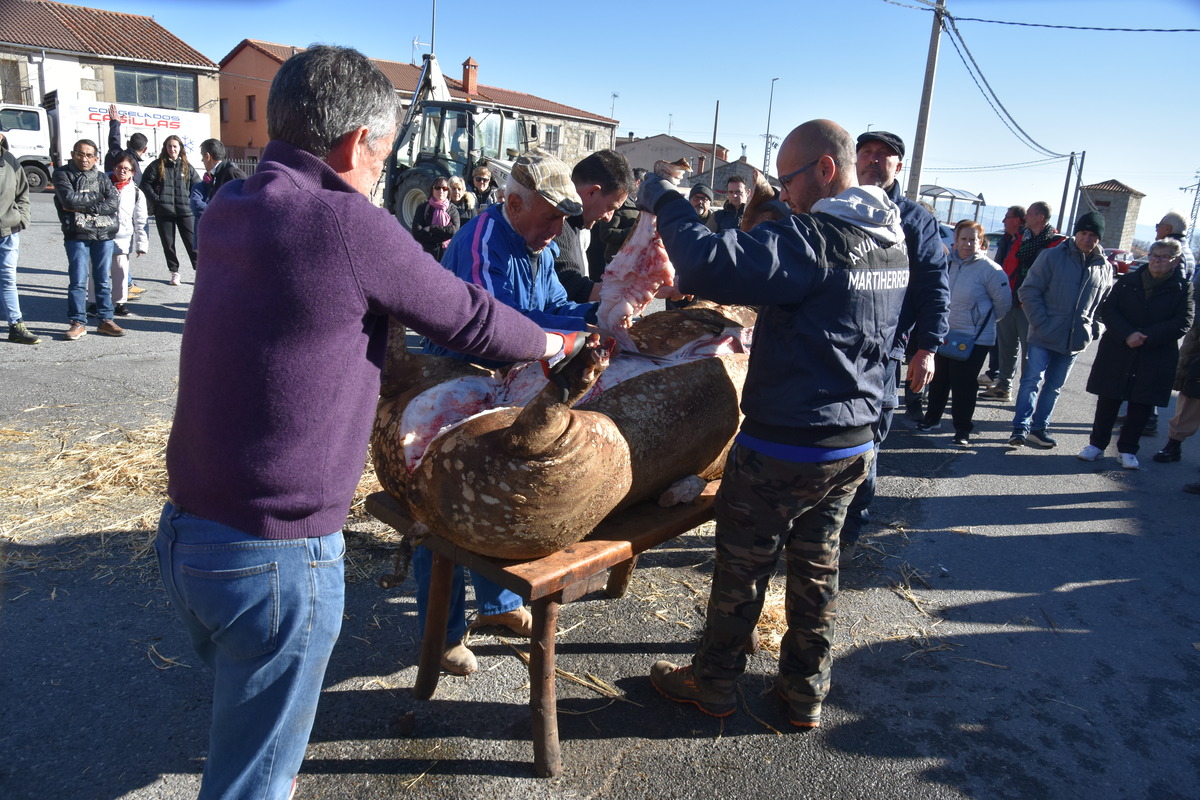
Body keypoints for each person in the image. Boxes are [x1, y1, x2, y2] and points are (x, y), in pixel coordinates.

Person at [155, 45, 572, 800]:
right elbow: (470, 318)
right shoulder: (347, 223)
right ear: (355, 144)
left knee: (242, 721)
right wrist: (558, 342)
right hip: (274, 557)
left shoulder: (229, 206)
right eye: (382, 151)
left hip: (186, 535)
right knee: (255, 779)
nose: (383, 169)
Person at [639, 119, 910, 729]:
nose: (783, 195)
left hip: (786, 442)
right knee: (818, 572)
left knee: (742, 568)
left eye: (788, 180)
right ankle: (804, 693)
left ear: (824, 170)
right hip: (853, 441)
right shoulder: (891, 240)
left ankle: (712, 684)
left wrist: (667, 203)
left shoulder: (819, 239)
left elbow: (709, 265)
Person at [418, 149, 598, 674]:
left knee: (501, 494)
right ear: (515, 205)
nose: (556, 231)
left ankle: (496, 605)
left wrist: (596, 308)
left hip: (504, 385)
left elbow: (556, 302)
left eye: (563, 221)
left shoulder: (535, 245)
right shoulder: (480, 240)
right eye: (550, 219)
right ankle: (443, 634)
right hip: (456, 385)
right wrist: (568, 337)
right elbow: (495, 328)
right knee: (442, 511)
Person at [841, 130, 949, 552]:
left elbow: (935, 289)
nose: (872, 160)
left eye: (883, 155)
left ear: (897, 166)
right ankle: (815, 527)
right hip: (833, 346)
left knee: (866, 442)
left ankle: (850, 530)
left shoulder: (915, 220)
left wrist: (928, 348)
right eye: (865, 152)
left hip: (884, 354)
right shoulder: (838, 209)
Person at [1078, 238, 1194, 469]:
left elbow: (1184, 321)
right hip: (1119, 349)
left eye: (1163, 257)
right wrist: (1128, 334)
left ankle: (1128, 449)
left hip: (1154, 353)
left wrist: (1146, 336)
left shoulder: (1182, 288)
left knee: (1142, 403)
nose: (1157, 261)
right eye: (1154, 255)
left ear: (1175, 261)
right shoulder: (1129, 281)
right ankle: (1097, 445)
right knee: (1108, 399)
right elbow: (1108, 310)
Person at [1008, 211, 1112, 449]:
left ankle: (1039, 429)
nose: (1087, 238)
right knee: (1031, 381)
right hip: (1043, 334)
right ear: (1076, 233)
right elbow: (1028, 290)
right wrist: (1040, 322)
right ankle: (1019, 429)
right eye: (1083, 233)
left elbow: (1105, 304)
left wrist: (1093, 328)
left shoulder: (1104, 267)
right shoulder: (1052, 256)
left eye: (1092, 235)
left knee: (1054, 387)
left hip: (1074, 339)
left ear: (1099, 238)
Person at [915, 220, 1011, 445]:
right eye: (963, 239)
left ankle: (962, 429)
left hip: (974, 338)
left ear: (981, 242)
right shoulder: (945, 264)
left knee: (964, 385)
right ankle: (932, 419)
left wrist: (978, 321)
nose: (968, 244)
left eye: (973, 239)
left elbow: (1003, 304)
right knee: (938, 380)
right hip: (944, 333)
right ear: (955, 241)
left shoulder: (991, 270)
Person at [52, 138, 124, 340]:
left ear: (95, 158)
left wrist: (87, 205)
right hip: (77, 234)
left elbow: (113, 202)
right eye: (80, 154)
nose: (84, 159)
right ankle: (77, 322)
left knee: (102, 280)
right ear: (73, 154)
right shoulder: (61, 174)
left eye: (89, 155)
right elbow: (68, 200)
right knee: (78, 281)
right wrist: (98, 199)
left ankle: (106, 320)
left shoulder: (102, 177)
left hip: (104, 234)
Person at [553, 149, 635, 303]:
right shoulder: (556, 227)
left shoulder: (579, 225)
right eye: (610, 208)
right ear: (592, 192)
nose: (608, 217)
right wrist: (640, 289)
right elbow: (571, 285)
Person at [979, 205, 1027, 401]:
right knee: (1003, 344)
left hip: (1021, 301)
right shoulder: (1008, 239)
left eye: (1007, 217)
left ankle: (1017, 390)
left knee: (1023, 349)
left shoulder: (1026, 240)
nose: (1003, 221)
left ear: (1017, 220)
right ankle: (1000, 381)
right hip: (1005, 296)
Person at [140, 135, 200, 286]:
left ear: (180, 148)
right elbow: (145, 183)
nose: (172, 149)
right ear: (165, 148)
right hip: (164, 212)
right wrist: (157, 199)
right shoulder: (157, 165)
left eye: (175, 146)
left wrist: (191, 202)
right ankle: (174, 272)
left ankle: (200, 273)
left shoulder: (187, 167)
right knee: (168, 244)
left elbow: (197, 186)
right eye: (169, 146)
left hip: (185, 212)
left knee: (193, 244)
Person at [1, 131, 39, 344]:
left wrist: (22, 218)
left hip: (8, 232)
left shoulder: (10, 161)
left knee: (8, 279)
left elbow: (23, 194)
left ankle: (15, 325)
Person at [100, 154, 149, 317]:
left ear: (132, 172)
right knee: (96, 270)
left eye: (126, 169)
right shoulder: (102, 184)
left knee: (120, 271)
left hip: (123, 237)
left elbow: (141, 219)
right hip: (101, 234)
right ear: (113, 168)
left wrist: (141, 245)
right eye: (119, 167)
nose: (122, 171)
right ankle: (94, 302)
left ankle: (119, 303)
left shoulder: (136, 193)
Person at [190, 138, 247, 252]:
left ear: (207, 156)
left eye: (202, 156)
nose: (202, 160)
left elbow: (246, 200)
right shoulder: (217, 174)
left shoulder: (230, 171)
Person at [410, 177, 460, 260]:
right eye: (437, 188)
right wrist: (443, 234)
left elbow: (454, 232)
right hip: (426, 254)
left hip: (446, 254)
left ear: (448, 191)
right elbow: (417, 233)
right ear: (432, 190)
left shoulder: (453, 211)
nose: (441, 191)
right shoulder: (423, 208)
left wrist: (431, 228)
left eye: (444, 188)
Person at [102, 103, 149, 182]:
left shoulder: (114, 153)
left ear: (128, 143)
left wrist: (115, 123)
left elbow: (114, 140)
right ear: (145, 150)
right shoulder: (135, 169)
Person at [1156, 210, 1196, 281]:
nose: (1156, 230)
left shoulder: (1168, 252)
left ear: (1167, 229)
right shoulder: (1188, 252)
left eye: (1158, 226)